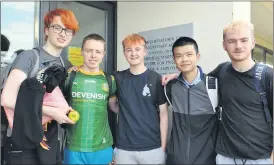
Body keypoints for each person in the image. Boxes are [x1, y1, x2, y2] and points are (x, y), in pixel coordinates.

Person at [162, 20, 273, 164]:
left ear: (252, 42)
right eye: (232, 41)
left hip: (259, 159)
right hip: (224, 157)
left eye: (243, 40)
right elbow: (195, 77)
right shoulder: (222, 71)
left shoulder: (268, 76)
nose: (238, 46)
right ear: (224, 45)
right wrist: (176, 76)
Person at [1, 8, 79, 164]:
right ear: (46, 30)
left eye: (68, 30)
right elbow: (7, 99)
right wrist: (51, 111)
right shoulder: (30, 57)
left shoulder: (63, 64)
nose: (63, 34)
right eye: (58, 28)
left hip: (50, 141)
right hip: (23, 141)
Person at [62, 33, 119, 164]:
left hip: (102, 147)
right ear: (82, 52)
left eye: (98, 52)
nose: (93, 56)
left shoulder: (110, 80)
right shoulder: (69, 76)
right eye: (89, 51)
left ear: (103, 54)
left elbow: (115, 108)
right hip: (74, 147)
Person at [113, 34, 168, 164]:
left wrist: (163, 146)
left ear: (145, 51)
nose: (133, 53)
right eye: (129, 50)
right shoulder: (118, 78)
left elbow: (164, 115)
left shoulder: (156, 79)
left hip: (152, 147)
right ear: (124, 53)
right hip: (124, 148)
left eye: (137, 49)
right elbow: (113, 105)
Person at [165, 36, 217, 164]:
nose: (184, 60)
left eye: (189, 54)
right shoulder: (170, 86)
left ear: (197, 56)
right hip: (175, 159)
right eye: (179, 56)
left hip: (206, 159)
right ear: (174, 60)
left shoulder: (213, 85)